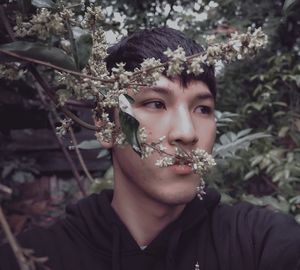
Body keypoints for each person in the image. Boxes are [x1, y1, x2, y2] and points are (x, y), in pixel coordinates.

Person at [1, 27, 300, 270]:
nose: (186, 132)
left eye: (203, 108)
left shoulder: (257, 242)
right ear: (106, 125)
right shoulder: (33, 257)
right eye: (155, 103)